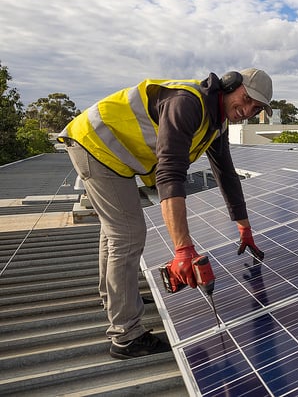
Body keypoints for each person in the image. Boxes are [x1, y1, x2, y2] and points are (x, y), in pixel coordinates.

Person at [58, 68, 272, 359]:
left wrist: (244, 228)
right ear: (230, 85)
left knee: (116, 231)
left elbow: (227, 175)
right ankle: (126, 336)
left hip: (109, 154)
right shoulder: (187, 103)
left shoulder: (217, 123)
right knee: (128, 233)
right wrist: (183, 249)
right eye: (245, 99)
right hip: (96, 145)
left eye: (256, 108)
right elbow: (170, 173)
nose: (247, 110)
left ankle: (116, 298)